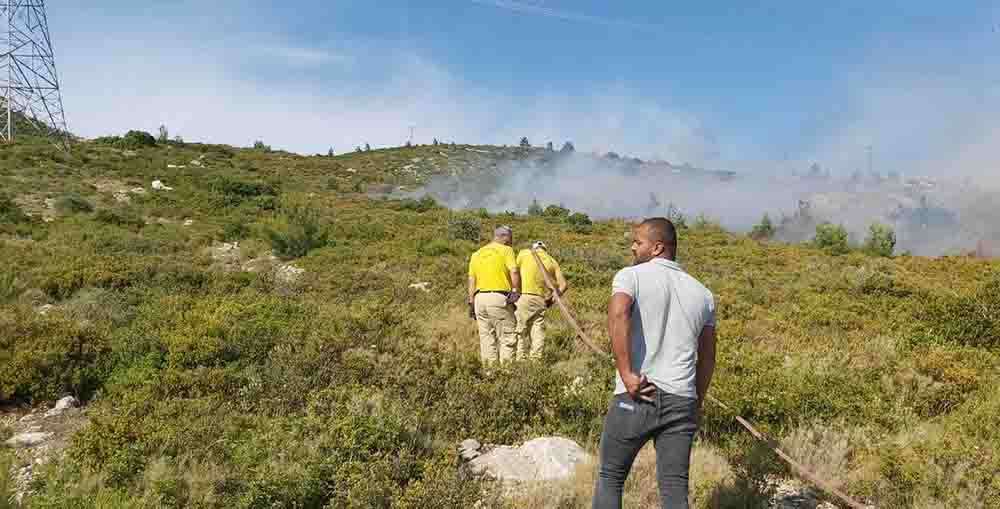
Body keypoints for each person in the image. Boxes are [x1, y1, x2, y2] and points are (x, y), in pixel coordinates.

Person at [592, 217, 717, 509]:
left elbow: (619, 313)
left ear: (657, 247)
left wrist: (626, 374)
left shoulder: (630, 276)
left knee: (611, 477)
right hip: (681, 401)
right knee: (675, 490)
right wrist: (695, 401)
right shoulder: (704, 294)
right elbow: (708, 356)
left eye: (638, 242)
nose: (633, 247)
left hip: (637, 393)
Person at [467, 225, 521, 364]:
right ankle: (506, 375)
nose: (511, 241)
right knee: (507, 337)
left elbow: (471, 280)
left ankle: (490, 375)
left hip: (479, 299)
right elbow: (514, 271)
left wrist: (471, 302)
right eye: (511, 238)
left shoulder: (476, 254)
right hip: (498, 298)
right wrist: (515, 290)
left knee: (486, 339)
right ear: (505, 237)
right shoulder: (506, 250)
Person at [515, 240, 568, 359]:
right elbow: (563, 285)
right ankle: (536, 360)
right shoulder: (552, 261)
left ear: (534, 247)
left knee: (520, 330)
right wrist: (551, 300)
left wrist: (515, 292)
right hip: (540, 300)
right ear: (545, 249)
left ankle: (520, 360)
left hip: (524, 296)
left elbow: (514, 272)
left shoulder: (524, 253)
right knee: (537, 331)